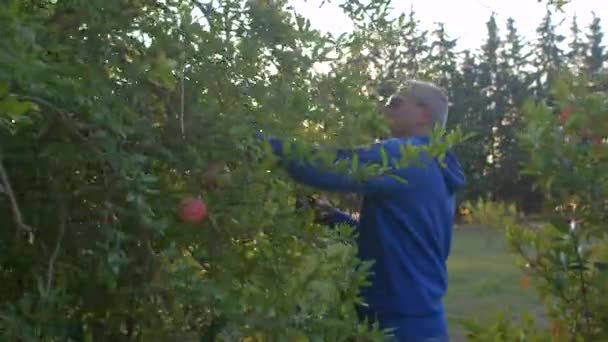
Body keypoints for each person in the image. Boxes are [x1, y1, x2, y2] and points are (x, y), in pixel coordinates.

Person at [256, 80, 465, 342]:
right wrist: (333, 217)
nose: (385, 107)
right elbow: (399, 241)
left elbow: (329, 164)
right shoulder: (436, 166)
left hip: (398, 327)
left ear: (423, 114)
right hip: (423, 321)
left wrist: (255, 141)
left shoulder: (406, 156)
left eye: (396, 102)